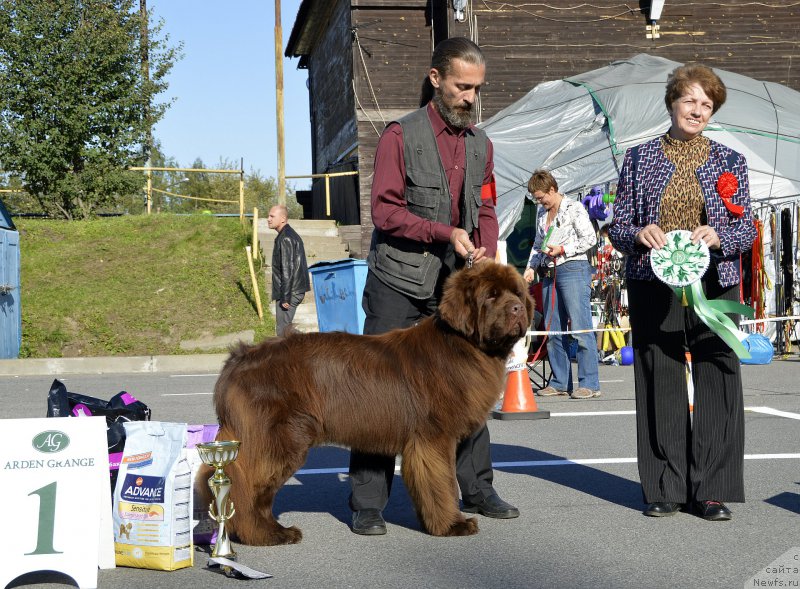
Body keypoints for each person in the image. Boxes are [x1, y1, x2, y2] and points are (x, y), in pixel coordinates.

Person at [349, 37, 519, 536]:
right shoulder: (400, 136)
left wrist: (484, 250)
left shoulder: (481, 144)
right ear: (436, 79)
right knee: (378, 391)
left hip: (455, 288)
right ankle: (367, 501)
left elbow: (486, 206)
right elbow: (383, 210)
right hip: (397, 282)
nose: (470, 97)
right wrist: (445, 233)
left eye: (477, 89)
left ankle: (478, 488)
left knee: (469, 385)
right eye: (463, 86)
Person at [607, 64, 756, 521]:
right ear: (672, 102)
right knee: (659, 374)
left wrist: (720, 237)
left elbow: (746, 225)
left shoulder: (731, 162)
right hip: (655, 280)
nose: (698, 111)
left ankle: (711, 489)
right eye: (691, 100)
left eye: (707, 105)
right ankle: (665, 486)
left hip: (715, 282)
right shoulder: (638, 158)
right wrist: (639, 233)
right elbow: (617, 227)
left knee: (718, 373)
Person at [522, 170, 601, 399]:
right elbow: (538, 245)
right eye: (536, 198)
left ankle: (590, 383)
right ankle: (559, 381)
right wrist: (530, 268)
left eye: (541, 197)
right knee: (553, 328)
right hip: (548, 273)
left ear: (552, 190)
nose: (539, 201)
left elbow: (589, 239)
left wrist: (564, 249)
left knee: (579, 327)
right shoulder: (541, 214)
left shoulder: (574, 208)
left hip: (573, 269)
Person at [268, 204, 310, 336]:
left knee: (283, 331)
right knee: (285, 329)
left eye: (272, 216)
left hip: (290, 291)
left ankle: (310, 346)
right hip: (291, 289)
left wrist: (285, 297)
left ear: (283, 219)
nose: (268, 219)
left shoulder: (286, 237)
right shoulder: (286, 235)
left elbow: (288, 269)